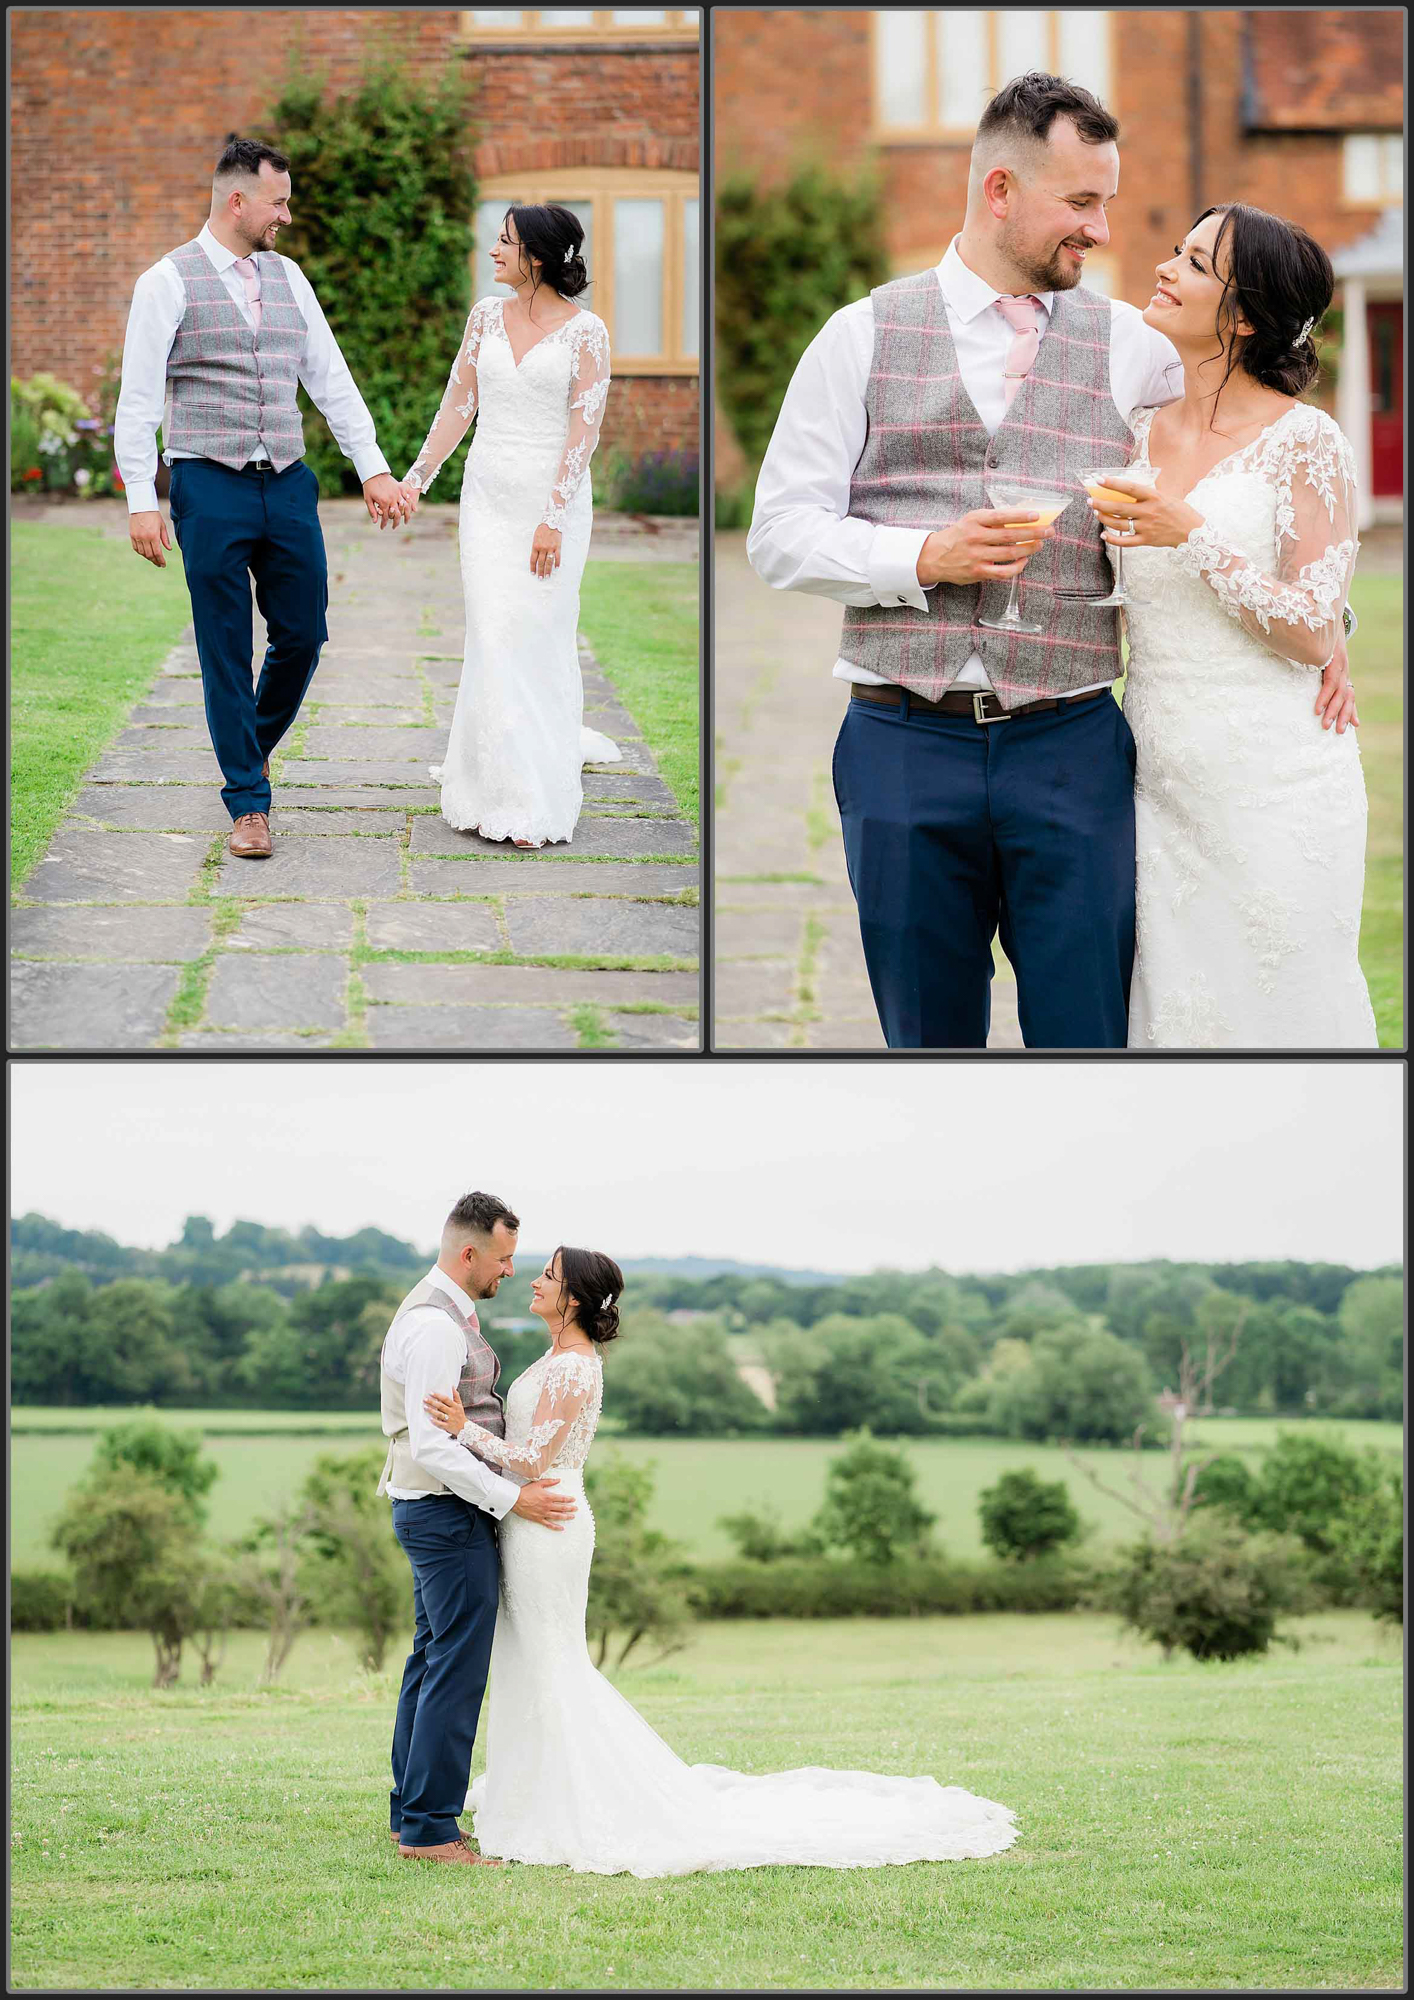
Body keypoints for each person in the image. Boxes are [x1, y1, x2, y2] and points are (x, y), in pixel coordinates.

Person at [747, 74, 1356, 1050]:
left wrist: (1328, 632)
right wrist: (924, 554)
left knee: (1088, 1040)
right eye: (1080, 203)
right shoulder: (857, 337)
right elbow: (777, 531)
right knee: (925, 1044)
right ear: (999, 191)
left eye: (1107, 201)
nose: (1104, 230)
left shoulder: (1138, 347)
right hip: (902, 743)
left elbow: (1247, 459)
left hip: (1071, 748)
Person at [422, 1250, 1019, 1876]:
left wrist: (464, 1429)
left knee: (554, 1660)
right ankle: (533, 1797)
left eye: (547, 1275)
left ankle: (575, 1803)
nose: (535, 1282)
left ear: (570, 1298)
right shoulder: (553, 1358)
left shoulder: (574, 1369)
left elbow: (535, 1460)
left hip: (550, 1521)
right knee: (529, 1657)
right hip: (528, 1520)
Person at [1086, 203, 1377, 1048]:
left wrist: (1194, 532)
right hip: (1157, 779)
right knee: (1172, 1014)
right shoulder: (1134, 431)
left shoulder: (1306, 440)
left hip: (1276, 780)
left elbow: (1312, 629)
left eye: (1196, 262)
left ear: (1244, 314)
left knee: (1279, 1010)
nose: (1165, 267)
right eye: (1176, 250)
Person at [115, 137, 407, 860]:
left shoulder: (291, 278)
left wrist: (370, 467)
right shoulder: (167, 281)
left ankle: (250, 747)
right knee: (223, 646)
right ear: (236, 200)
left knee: (304, 633)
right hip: (206, 482)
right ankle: (248, 803)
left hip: (286, 479)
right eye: (278, 201)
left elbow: (330, 378)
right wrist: (138, 498)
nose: (287, 214)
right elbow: (139, 399)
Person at [389, 205, 620, 849]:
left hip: (551, 506)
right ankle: (485, 784)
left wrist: (553, 516)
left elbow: (585, 429)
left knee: (537, 636)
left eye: (505, 242)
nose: (493, 252)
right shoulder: (485, 317)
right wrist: (416, 479)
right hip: (487, 500)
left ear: (537, 258)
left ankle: (532, 797)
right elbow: (458, 404)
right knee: (492, 632)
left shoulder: (587, 334)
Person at [377, 1191, 577, 1865]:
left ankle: (414, 1812)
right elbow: (435, 1446)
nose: (510, 1272)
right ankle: (431, 1829)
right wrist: (510, 1499)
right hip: (444, 1508)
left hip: (433, 1508)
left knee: (432, 1657)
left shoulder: (438, 1314)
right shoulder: (436, 1327)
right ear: (470, 1253)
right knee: (454, 1669)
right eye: (504, 1258)